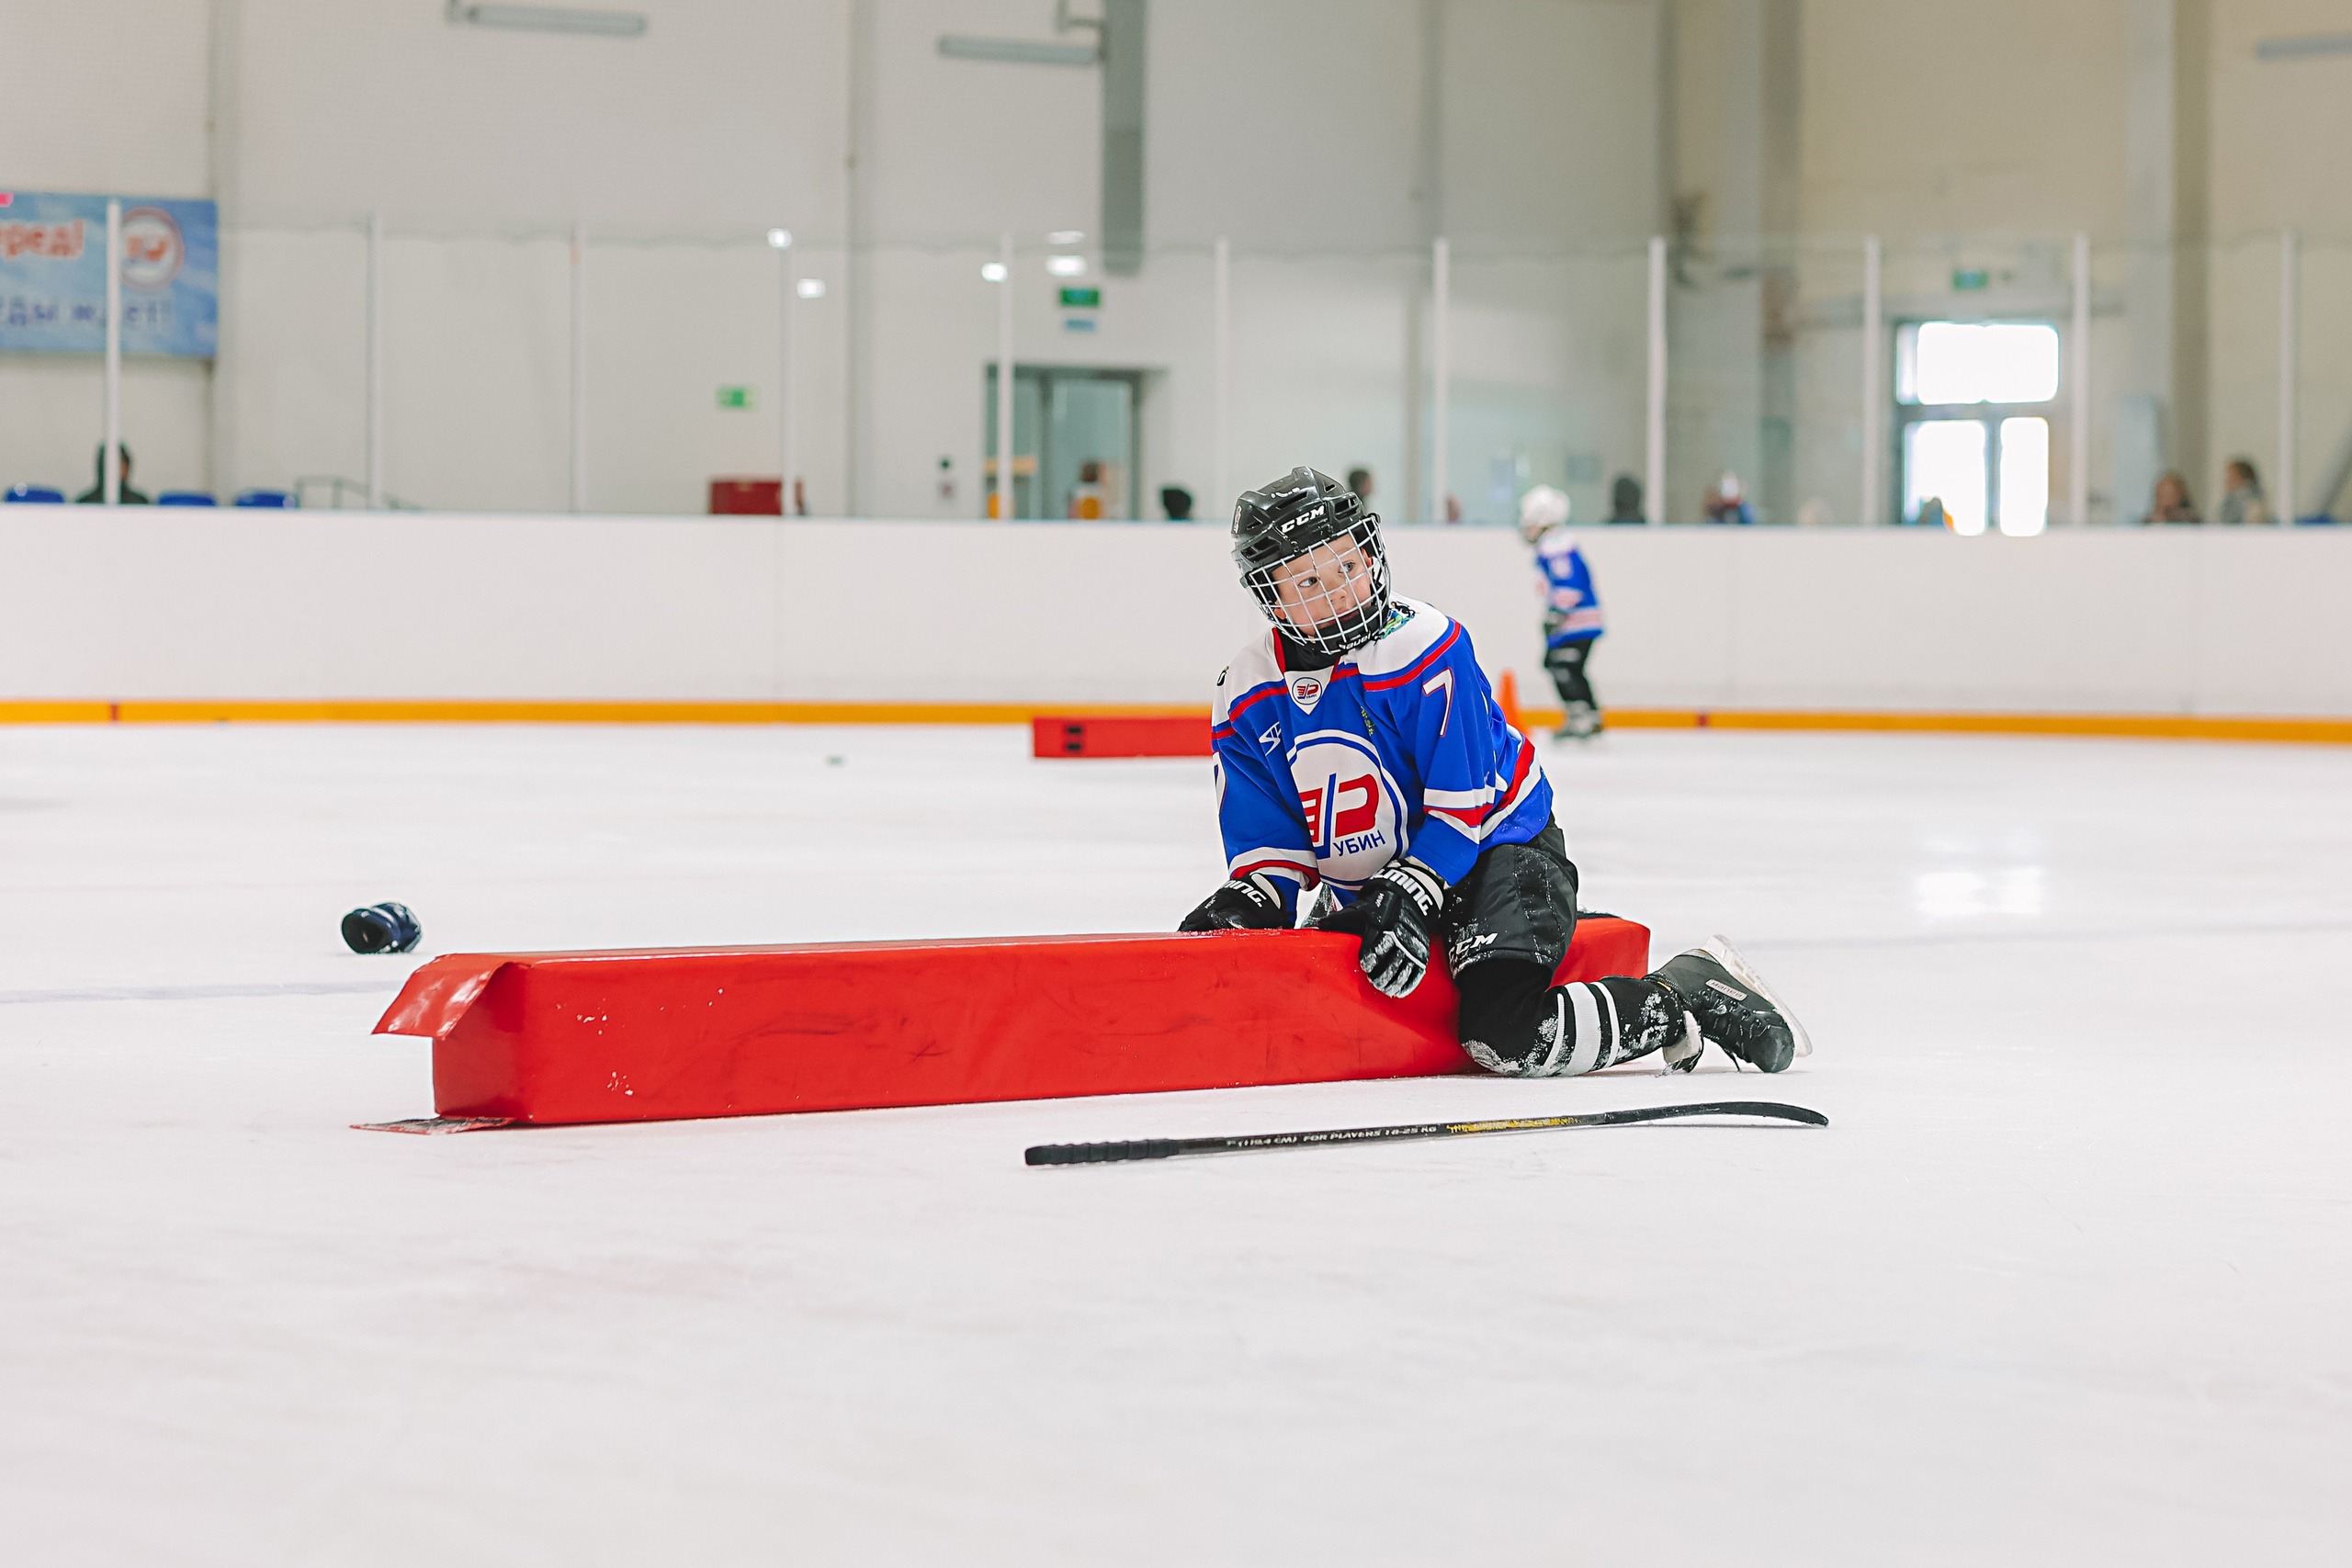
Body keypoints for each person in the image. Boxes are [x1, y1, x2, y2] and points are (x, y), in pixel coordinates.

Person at [1177, 465, 1810, 1078]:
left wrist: (1413, 889)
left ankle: (1682, 992)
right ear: (1270, 594)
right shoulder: (1245, 691)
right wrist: (1253, 896)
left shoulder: (1426, 645)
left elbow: (1463, 807)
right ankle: (1546, 940)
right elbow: (1270, 842)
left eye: (1348, 564)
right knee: (1330, 1016)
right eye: (1309, 582)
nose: (1342, 590)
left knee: (1503, 1034)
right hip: (1380, 883)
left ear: (1371, 553)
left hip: (1498, 852)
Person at [1518, 485, 1605, 740]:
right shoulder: (1557, 543)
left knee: (1561, 665)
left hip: (1576, 622)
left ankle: (1581, 717)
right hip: (1580, 621)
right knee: (1569, 667)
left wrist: (1556, 613)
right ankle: (1589, 714)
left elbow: (1568, 583)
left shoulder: (1555, 545)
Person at [74, 444, 149, 505]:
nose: (122, 470)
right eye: (117, 465)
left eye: (124, 465)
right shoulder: (85, 503)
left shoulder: (139, 503)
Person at [2216, 458, 2270, 527]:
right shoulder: (2228, 502)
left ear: (2240, 477)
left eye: (2230, 475)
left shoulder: (2253, 505)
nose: (2226, 480)